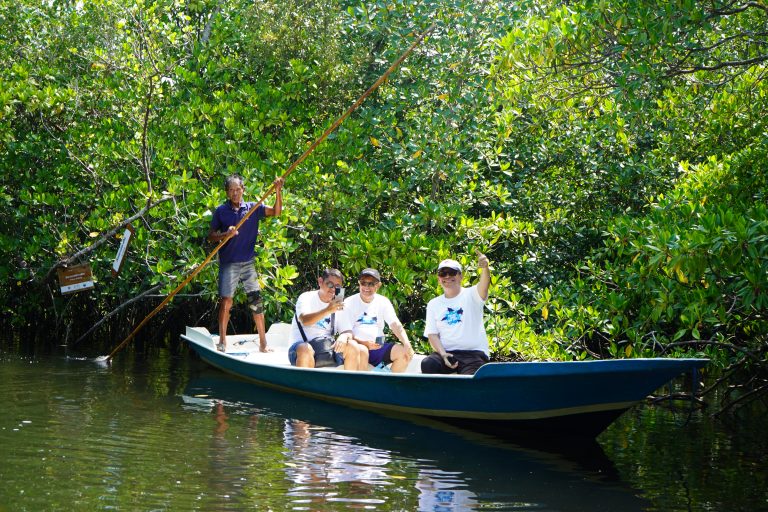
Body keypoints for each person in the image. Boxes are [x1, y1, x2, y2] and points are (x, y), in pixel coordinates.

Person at [208, 174, 283, 352]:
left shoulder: (253, 208)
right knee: (226, 301)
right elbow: (211, 236)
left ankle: (263, 343)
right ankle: (222, 341)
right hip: (229, 263)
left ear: (243, 190)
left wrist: (278, 191)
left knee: (256, 301)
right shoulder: (221, 211)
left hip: (248, 263)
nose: (235, 193)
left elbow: (276, 212)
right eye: (231, 190)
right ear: (227, 193)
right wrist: (225, 234)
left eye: (237, 189)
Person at [422, 250, 491, 375]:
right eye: (443, 273)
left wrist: (485, 268)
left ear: (460, 276)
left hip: (473, 354)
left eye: (452, 273)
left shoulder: (473, 294)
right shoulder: (433, 303)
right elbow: (432, 334)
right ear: (438, 279)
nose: (447, 277)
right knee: (428, 364)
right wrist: (443, 354)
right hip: (447, 353)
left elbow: (485, 285)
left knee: (470, 381)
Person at [289, 268, 369, 370]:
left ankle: (348, 384)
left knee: (353, 345)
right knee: (306, 349)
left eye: (337, 287)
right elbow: (304, 320)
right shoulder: (306, 297)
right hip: (301, 349)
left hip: (326, 348)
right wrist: (327, 310)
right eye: (330, 284)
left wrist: (344, 337)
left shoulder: (338, 303)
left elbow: (348, 331)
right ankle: (305, 384)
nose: (333, 289)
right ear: (320, 282)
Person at [344, 268, 414, 372]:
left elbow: (394, 324)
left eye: (371, 284)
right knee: (362, 350)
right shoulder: (349, 302)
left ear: (378, 285)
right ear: (359, 283)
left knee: (404, 353)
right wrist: (364, 343)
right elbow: (345, 332)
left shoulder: (383, 301)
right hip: (357, 348)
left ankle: (385, 384)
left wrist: (406, 343)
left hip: (378, 347)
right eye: (363, 283)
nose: (366, 287)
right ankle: (367, 384)